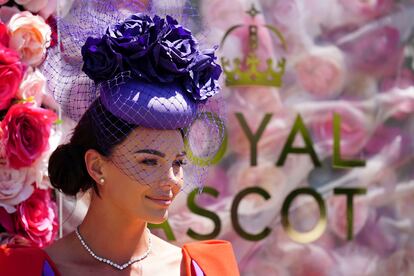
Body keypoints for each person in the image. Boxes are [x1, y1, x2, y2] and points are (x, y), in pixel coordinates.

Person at [0, 5, 240, 276]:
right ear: (97, 166)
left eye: (178, 162)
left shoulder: (206, 269)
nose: (172, 179)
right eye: (149, 161)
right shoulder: (24, 270)